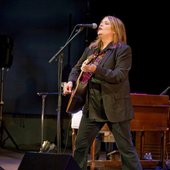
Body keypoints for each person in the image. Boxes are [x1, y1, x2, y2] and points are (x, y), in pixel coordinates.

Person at [63, 15, 142, 170]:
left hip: (115, 106)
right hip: (93, 106)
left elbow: (119, 75)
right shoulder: (91, 49)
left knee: (126, 149)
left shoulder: (123, 50)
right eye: (100, 23)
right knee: (80, 146)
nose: (100, 25)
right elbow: (76, 68)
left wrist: (95, 69)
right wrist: (71, 81)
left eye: (105, 23)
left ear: (114, 29)